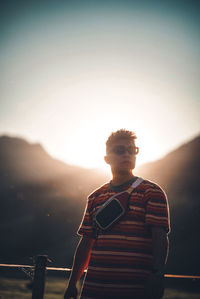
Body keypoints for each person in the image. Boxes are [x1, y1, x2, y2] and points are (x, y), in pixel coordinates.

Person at [64, 129, 170, 299]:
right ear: (107, 159)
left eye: (132, 150)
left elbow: (160, 237)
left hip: (135, 291)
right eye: (120, 150)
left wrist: (158, 276)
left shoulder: (152, 192)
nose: (127, 154)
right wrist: (72, 284)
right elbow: (86, 243)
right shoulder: (95, 197)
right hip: (93, 290)